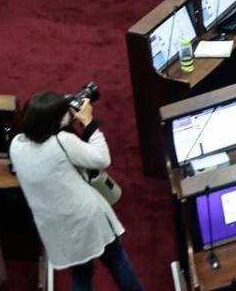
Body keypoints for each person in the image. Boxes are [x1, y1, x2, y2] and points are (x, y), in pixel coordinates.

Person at [10, 92, 143, 290]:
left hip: (57, 225)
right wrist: (89, 122)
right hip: (86, 219)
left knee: (81, 273)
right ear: (55, 122)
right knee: (117, 260)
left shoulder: (16, 145)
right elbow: (102, 159)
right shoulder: (63, 141)